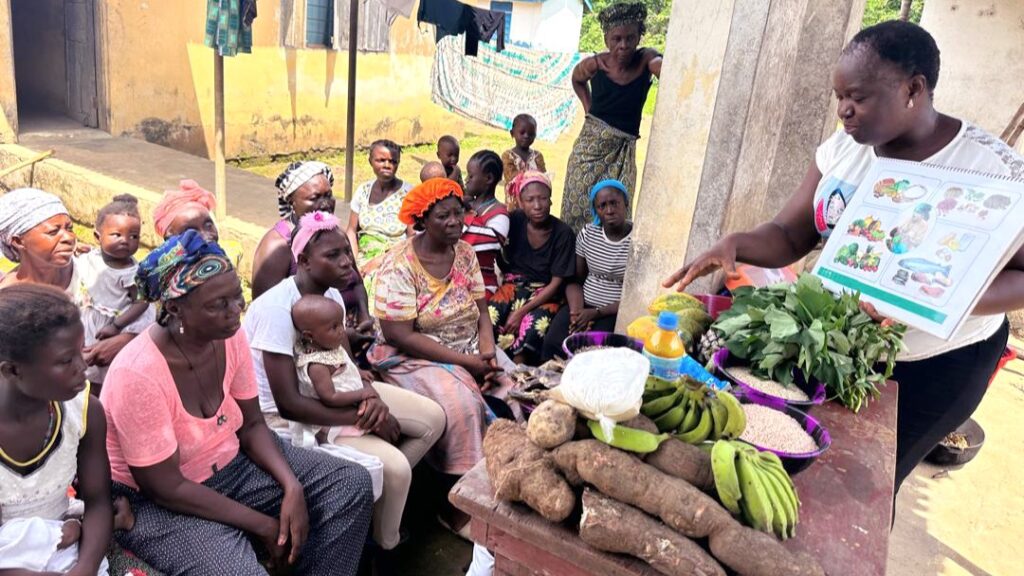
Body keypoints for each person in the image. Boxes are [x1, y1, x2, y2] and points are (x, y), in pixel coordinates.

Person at [665, 21, 1024, 497]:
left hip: (934, 364)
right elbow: (790, 233)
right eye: (838, 98)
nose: (844, 112)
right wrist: (738, 242)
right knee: (805, 471)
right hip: (842, 348)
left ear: (914, 88)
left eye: (857, 97)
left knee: (866, 488)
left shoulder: (991, 171)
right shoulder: (844, 152)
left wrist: (926, 299)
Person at [101, 230, 373, 575]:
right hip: (160, 502)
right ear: (174, 308)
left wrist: (292, 487)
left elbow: (253, 425)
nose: (236, 311)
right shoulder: (137, 374)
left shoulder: (228, 337)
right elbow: (166, 487)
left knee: (350, 484)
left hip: (232, 463)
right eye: (219, 304)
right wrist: (262, 524)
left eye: (237, 297)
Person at [244, 210, 444, 553]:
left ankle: (372, 502)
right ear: (304, 261)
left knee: (434, 419)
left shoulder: (331, 295)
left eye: (346, 252)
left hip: (341, 392)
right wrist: (363, 416)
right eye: (332, 255)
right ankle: (384, 545)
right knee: (396, 469)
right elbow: (287, 404)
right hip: (296, 417)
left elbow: (346, 362)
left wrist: (371, 401)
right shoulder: (275, 310)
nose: (346, 262)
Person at [369, 178, 513, 477]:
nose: (454, 222)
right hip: (416, 354)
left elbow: (481, 309)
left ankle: (511, 470)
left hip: (471, 347)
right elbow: (401, 335)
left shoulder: (464, 253)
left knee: (519, 388)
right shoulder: (400, 264)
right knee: (463, 407)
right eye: (443, 216)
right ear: (422, 220)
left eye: (458, 213)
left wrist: (487, 355)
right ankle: (457, 493)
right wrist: (467, 364)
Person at [0, 285, 120, 576]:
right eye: (66, 361)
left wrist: (85, 568)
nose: (83, 367)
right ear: (12, 370)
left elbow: (99, 502)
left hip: (62, 551)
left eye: (81, 352)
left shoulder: (84, 411)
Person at [0, 188, 137, 380]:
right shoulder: (9, 301)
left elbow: (143, 303)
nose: (68, 238)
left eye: (69, 228)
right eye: (53, 231)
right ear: (18, 241)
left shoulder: (94, 268)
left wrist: (125, 339)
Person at [562, 2, 662, 233]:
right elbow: (576, 79)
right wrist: (588, 108)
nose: (623, 45)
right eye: (616, 39)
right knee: (576, 205)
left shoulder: (646, 60)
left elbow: (662, 67)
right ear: (607, 39)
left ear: (639, 38)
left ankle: (608, 261)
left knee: (616, 210)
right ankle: (573, 260)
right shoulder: (595, 64)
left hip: (623, 151)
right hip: (589, 149)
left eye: (630, 38)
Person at [252, 161, 373, 340]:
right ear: (292, 202)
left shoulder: (334, 233)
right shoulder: (277, 246)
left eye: (328, 195)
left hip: (354, 331)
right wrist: (339, 335)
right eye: (315, 198)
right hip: (306, 343)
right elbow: (267, 313)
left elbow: (356, 282)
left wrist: (364, 314)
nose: (325, 204)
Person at [542, 179, 633, 361]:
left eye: (614, 203)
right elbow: (576, 279)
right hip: (582, 305)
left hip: (613, 311)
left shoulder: (637, 240)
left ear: (626, 203)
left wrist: (596, 313)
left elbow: (634, 295)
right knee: (553, 341)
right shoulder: (588, 234)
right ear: (596, 210)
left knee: (590, 351)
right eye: (602, 206)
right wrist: (577, 313)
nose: (609, 210)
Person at [489, 172, 575, 363]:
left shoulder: (563, 233)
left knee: (534, 325)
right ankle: (489, 365)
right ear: (521, 202)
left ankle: (519, 375)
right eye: (530, 200)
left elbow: (556, 283)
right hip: (512, 287)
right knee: (489, 318)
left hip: (544, 293)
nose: (537, 206)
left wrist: (521, 312)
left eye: (543, 198)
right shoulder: (515, 220)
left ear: (551, 200)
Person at [77, 194, 153, 390]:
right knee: (84, 374)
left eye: (133, 236)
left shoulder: (132, 272)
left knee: (107, 377)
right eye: (117, 235)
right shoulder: (91, 256)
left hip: (113, 327)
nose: (125, 241)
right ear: (97, 237)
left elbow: (142, 302)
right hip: (89, 324)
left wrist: (117, 326)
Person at [346, 141, 415, 299]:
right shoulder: (363, 190)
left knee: (378, 284)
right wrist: (354, 263)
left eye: (393, 161)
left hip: (395, 258)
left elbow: (413, 238)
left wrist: (379, 261)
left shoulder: (409, 194)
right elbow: (351, 229)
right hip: (361, 255)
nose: (387, 165)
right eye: (381, 160)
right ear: (370, 160)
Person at [463, 150, 511, 298]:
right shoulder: (464, 204)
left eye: (471, 176)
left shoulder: (500, 213)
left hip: (482, 284)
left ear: (489, 178)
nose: (466, 179)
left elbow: (489, 242)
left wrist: (465, 217)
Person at [501, 114, 547, 211]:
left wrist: (526, 175)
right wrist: (533, 174)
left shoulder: (538, 156)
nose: (526, 136)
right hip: (514, 206)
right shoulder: (508, 156)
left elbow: (543, 177)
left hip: (535, 205)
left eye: (531, 134)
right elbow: (510, 176)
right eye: (522, 132)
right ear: (512, 133)